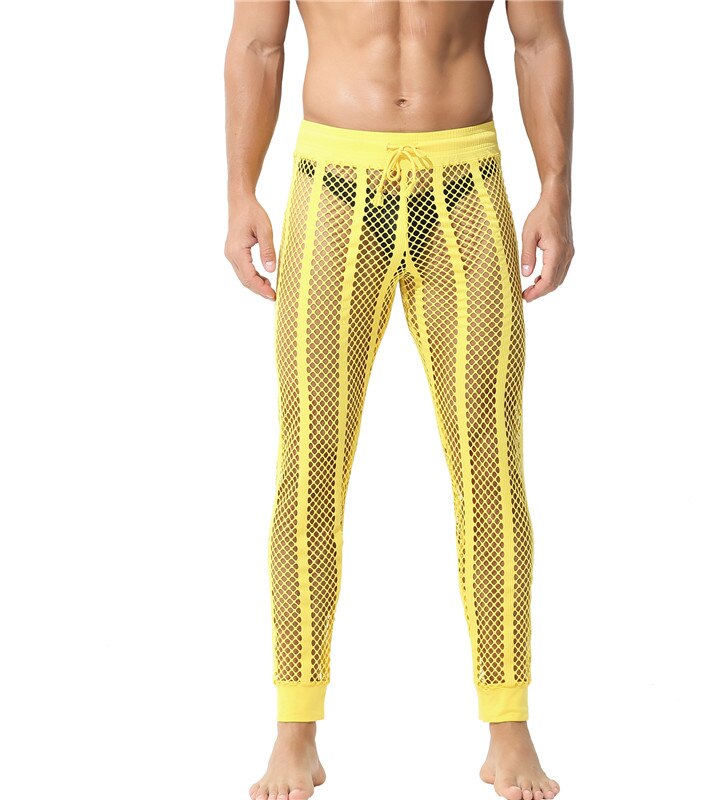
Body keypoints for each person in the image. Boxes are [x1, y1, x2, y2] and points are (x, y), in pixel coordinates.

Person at [224, 1, 574, 798]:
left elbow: (538, 38)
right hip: (332, 182)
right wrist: (241, 191)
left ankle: (509, 729)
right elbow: (256, 43)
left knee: (490, 460)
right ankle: (295, 732)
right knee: (310, 461)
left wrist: (554, 191)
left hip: (465, 183)